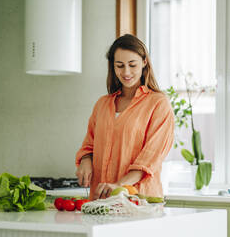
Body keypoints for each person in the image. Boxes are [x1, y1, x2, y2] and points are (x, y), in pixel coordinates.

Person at [75, 34, 174, 200]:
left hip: (139, 201)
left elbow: (150, 158)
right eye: (119, 65)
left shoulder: (158, 104)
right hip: (100, 201)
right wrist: (85, 161)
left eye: (132, 65)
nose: (126, 72)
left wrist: (119, 185)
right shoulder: (102, 104)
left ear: (144, 62)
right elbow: (89, 146)